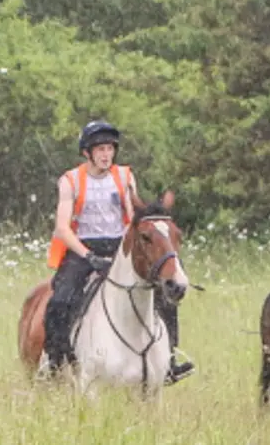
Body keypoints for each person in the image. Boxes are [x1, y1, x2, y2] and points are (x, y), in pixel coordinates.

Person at [43, 121, 193, 383]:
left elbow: (132, 215)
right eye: (100, 149)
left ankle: (169, 360)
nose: (106, 155)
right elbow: (62, 229)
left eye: (110, 149)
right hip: (82, 248)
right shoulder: (70, 181)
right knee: (60, 300)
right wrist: (88, 256)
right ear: (87, 153)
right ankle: (56, 360)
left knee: (164, 294)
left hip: (119, 247)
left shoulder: (124, 176)